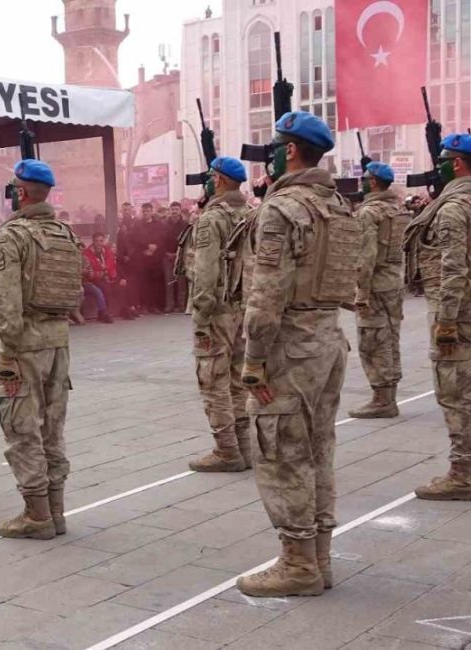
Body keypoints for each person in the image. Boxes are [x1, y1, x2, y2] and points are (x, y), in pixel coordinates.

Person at [238, 111, 360, 598]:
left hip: (289, 348)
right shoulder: (338, 205)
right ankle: (319, 557)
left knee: (283, 452)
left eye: (274, 147)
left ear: (289, 151)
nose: (269, 155)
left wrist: (253, 360)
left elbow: (267, 293)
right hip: (328, 339)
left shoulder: (283, 208)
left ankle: (297, 563)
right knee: (318, 449)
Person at [0, 159, 82, 540]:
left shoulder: (11, 236)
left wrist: (6, 351)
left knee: (22, 428)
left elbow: (7, 302)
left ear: (20, 193)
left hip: (23, 345)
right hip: (58, 341)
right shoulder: (64, 232)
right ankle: (56, 511)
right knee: (52, 428)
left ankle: (36, 515)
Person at [404, 133, 471, 501]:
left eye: (443, 161)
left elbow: (453, 268)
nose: (439, 167)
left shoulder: (454, 208)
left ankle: (463, 473)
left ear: (457, 164)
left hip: (460, 316)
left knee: (456, 393)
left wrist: (445, 321)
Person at [180, 157, 253, 472]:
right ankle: (244, 447)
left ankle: (226, 451)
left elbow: (206, 271)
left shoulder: (212, 219)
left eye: (211, 177)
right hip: (243, 307)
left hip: (217, 310)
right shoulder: (251, 213)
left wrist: (201, 314)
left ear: (219, 180)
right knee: (237, 380)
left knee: (212, 380)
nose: (208, 182)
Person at [348, 162, 411, 419]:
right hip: (393, 283)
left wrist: (361, 293)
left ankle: (382, 399)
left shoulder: (368, 213)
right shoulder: (398, 211)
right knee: (390, 339)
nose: (362, 183)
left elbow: (366, 256)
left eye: (364, 179)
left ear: (372, 182)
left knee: (372, 342)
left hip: (374, 286)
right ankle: (389, 394)